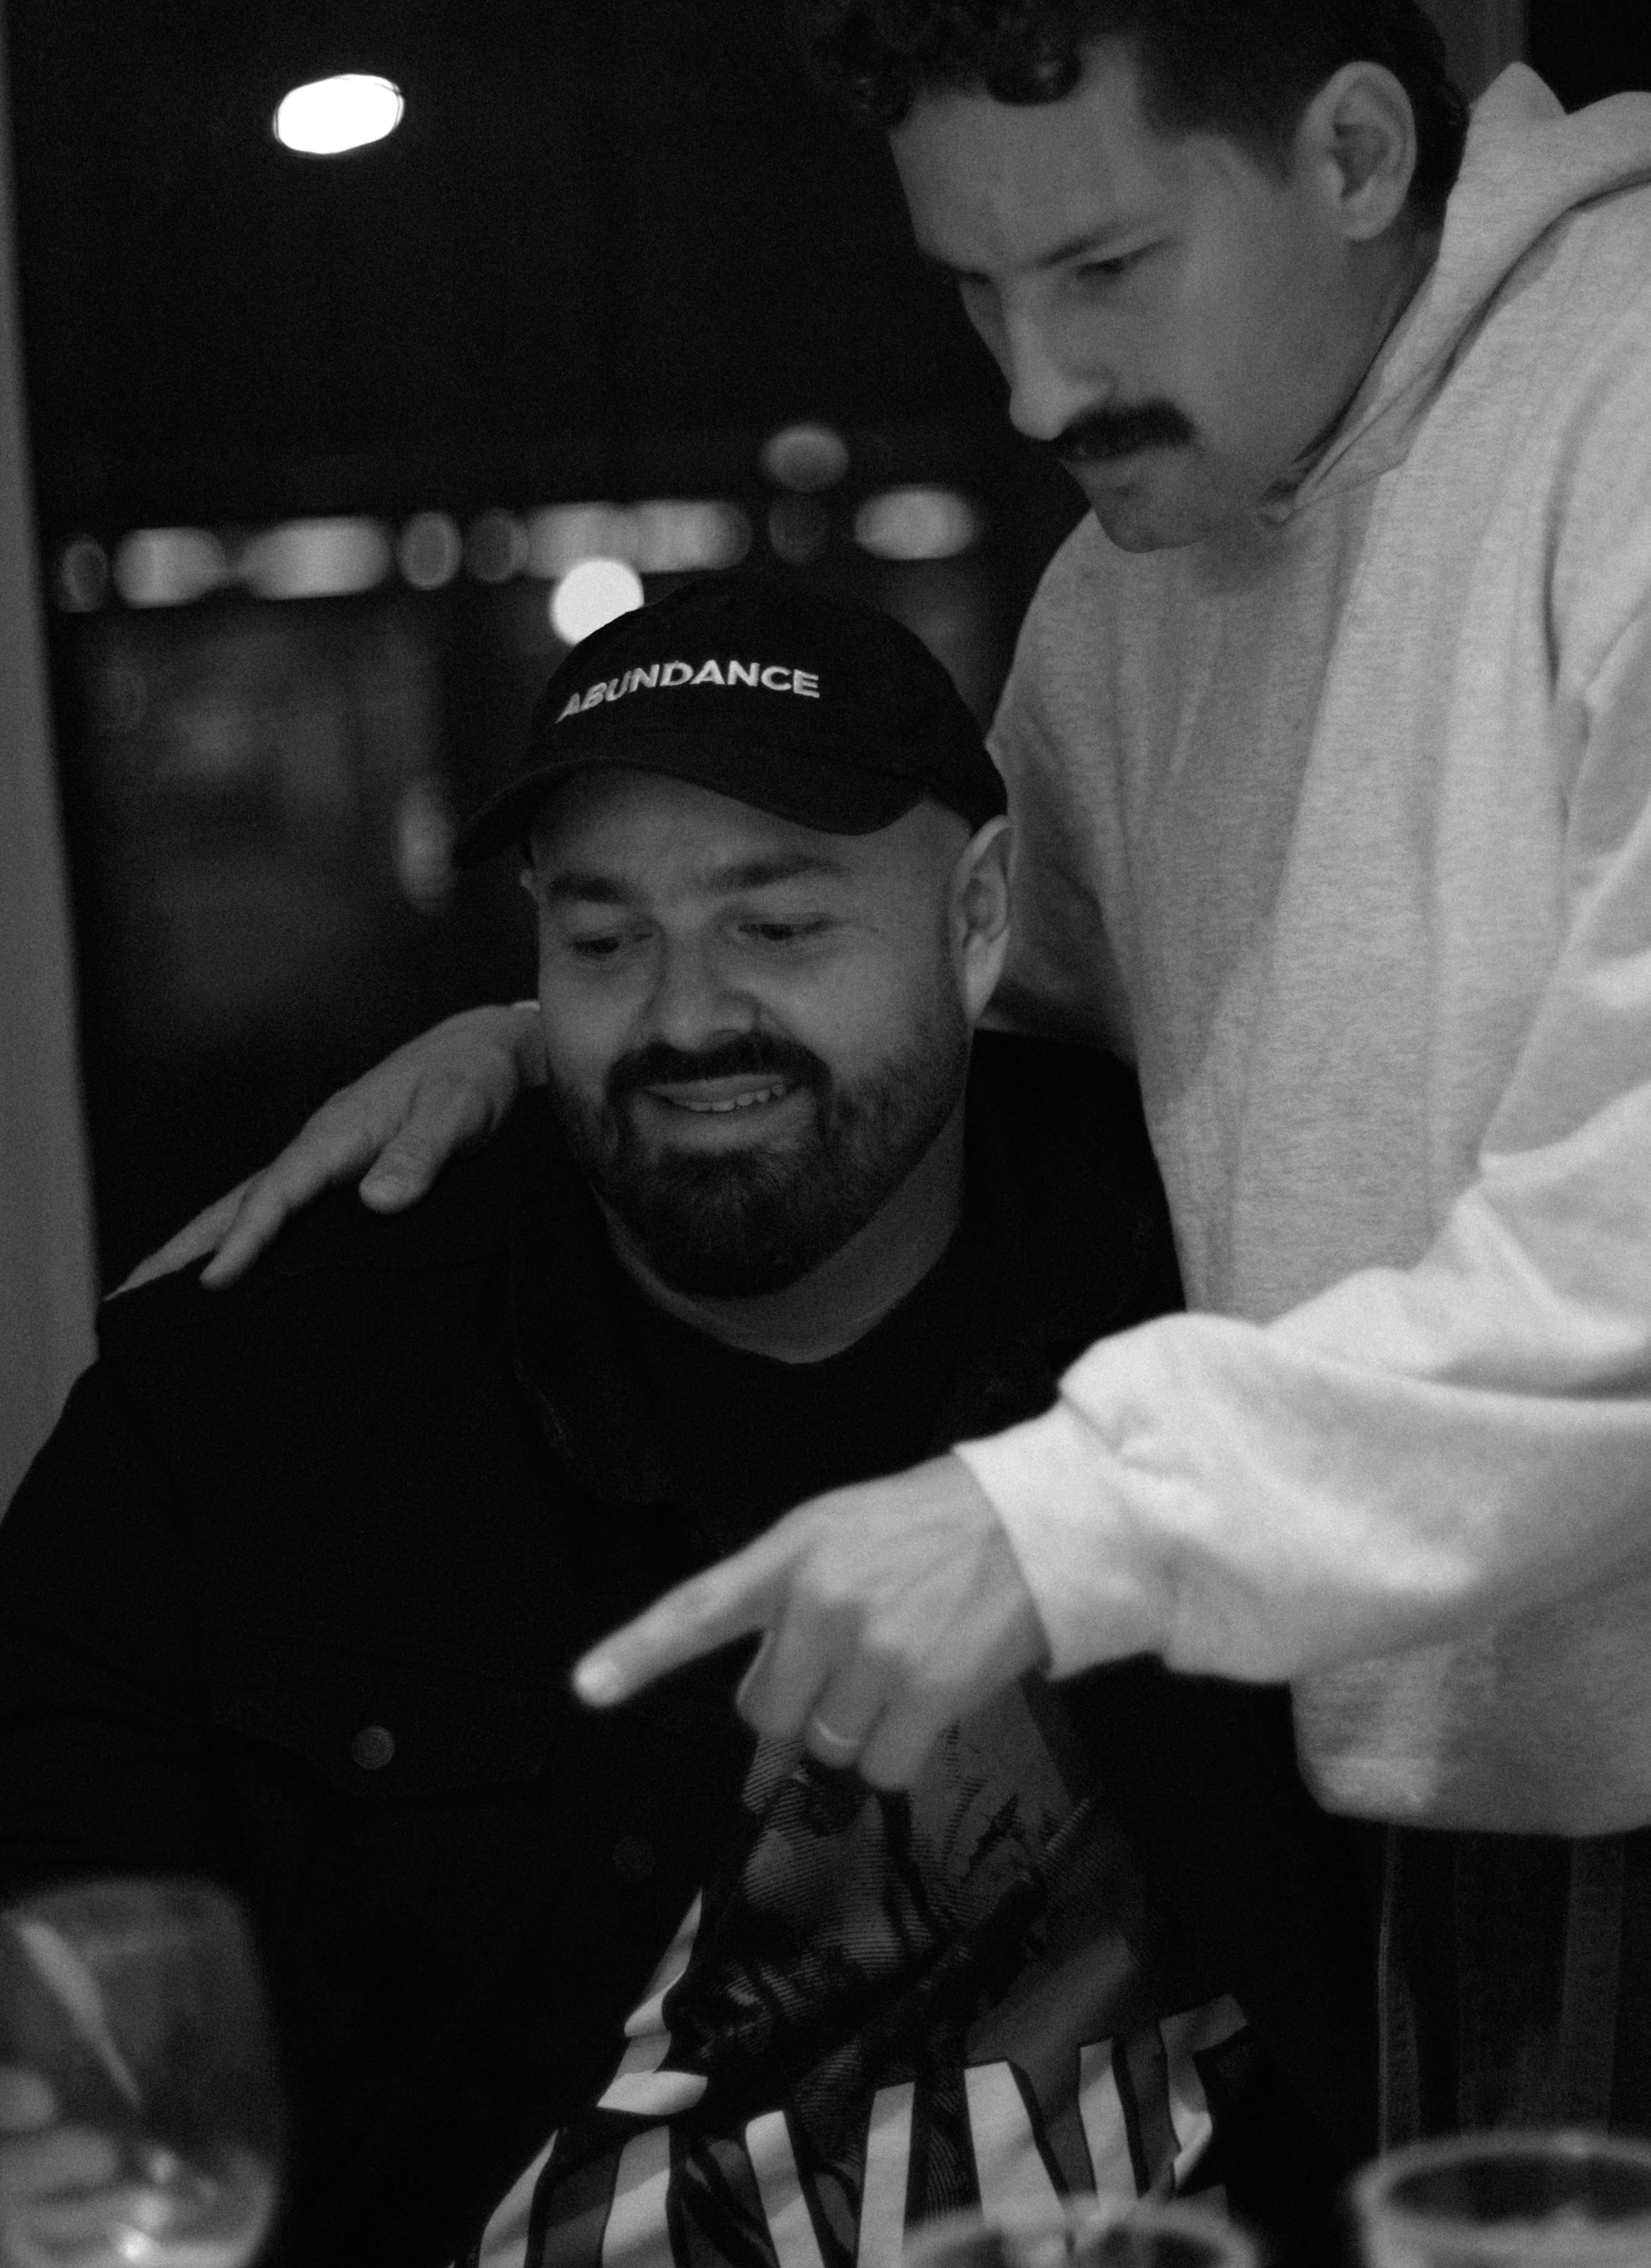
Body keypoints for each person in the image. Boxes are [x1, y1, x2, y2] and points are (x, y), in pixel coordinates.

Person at [135, 0, 1651, 2142]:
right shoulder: (1138, 587)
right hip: (1475, 1811)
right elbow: (955, 984)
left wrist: (1054, 1516)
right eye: (975, 289)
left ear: (1357, 155)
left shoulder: (1647, 408)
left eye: (1101, 268)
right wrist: (552, 1032)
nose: (1034, 386)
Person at [1, 577, 1373, 2268]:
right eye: (602, 942)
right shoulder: (249, 1410)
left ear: (979, 919)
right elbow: (74, 2053)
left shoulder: (1215, 1264)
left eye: (777, 928)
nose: (685, 1016)